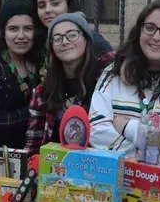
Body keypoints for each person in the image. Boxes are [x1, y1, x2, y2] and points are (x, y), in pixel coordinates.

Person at [88, 0, 160, 166]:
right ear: (139, 31)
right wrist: (154, 150)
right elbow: (96, 130)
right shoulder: (112, 74)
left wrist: (126, 126)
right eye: (149, 27)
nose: (156, 37)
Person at [24, 13, 113, 152]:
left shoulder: (106, 82)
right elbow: (33, 146)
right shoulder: (43, 92)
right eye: (57, 39)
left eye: (72, 35)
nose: (65, 42)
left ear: (86, 39)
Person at [0, 0, 42, 148]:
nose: (21, 36)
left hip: (39, 150)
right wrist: (34, 111)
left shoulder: (41, 65)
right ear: (3, 33)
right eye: (13, 29)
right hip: (3, 154)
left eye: (28, 29)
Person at [31, 0, 114, 68]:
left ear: (69, 4)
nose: (47, 10)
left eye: (55, 4)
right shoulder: (38, 41)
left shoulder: (96, 43)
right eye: (41, 6)